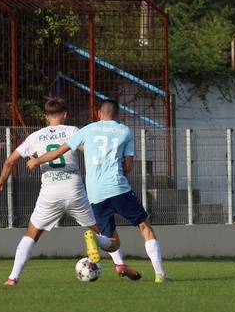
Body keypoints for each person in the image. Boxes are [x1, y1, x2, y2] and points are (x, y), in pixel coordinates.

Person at [0, 97, 137, 286]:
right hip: (75, 191)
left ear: (46, 117)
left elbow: (9, 162)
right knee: (104, 230)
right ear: (65, 115)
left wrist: (1, 181)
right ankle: (119, 265)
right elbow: (91, 152)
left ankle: (13, 278)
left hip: (50, 193)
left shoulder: (35, 137)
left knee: (31, 234)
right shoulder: (73, 131)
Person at [27, 98, 173, 283]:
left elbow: (57, 153)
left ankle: (96, 239)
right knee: (145, 228)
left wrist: (36, 161)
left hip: (95, 193)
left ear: (98, 114)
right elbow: (128, 167)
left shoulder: (87, 130)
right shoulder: (125, 131)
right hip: (118, 188)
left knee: (112, 242)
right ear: (118, 114)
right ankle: (160, 274)